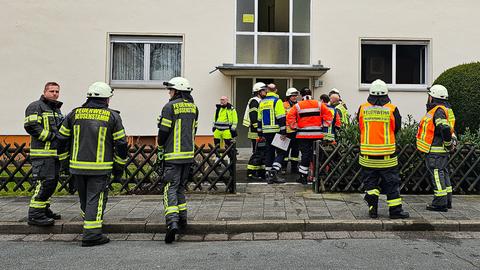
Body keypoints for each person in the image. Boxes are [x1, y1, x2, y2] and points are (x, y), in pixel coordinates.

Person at [58, 82, 128, 246]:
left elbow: (61, 139)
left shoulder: (74, 114)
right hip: (100, 168)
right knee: (95, 199)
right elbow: (122, 144)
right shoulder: (112, 117)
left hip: (77, 167)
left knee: (84, 198)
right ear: (106, 99)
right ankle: (92, 234)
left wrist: (64, 163)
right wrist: (119, 168)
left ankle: (89, 223)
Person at [357, 79, 409, 219]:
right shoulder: (392, 108)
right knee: (392, 184)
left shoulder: (362, 108)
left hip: (367, 156)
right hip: (387, 156)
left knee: (371, 184)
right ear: (386, 93)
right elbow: (396, 128)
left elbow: (360, 126)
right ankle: (395, 211)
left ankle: (373, 209)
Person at [157, 77, 199, 243]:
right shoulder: (194, 108)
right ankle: (183, 220)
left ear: (177, 91)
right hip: (188, 155)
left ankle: (172, 222)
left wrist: (160, 145)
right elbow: (193, 131)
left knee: (170, 189)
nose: (169, 93)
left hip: (172, 156)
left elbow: (164, 132)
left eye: (171, 90)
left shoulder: (169, 107)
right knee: (180, 187)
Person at [24, 82, 64, 226]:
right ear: (45, 92)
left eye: (57, 91)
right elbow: (31, 126)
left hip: (54, 154)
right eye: (52, 91)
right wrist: (52, 137)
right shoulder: (36, 106)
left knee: (51, 183)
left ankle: (44, 209)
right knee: (43, 184)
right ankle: (35, 215)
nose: (55, 94)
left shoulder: (56, 110)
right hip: (42, 154)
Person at [416, 85, 455, 212]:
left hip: (435, 151)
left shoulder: (438, 111)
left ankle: (439, 203)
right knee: (444, 173)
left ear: (432, 97)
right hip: (441, 151)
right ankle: (447, 201)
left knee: (437, 174)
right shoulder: (446, 109)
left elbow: (444, 128)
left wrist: (448, 143)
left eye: (429, 96)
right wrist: (449, 143)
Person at [286, 87, 333, 184]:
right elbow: (329, 116)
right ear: (311, 94)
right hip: (317, 135)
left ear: (301, 95)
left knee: (305, 155)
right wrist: (323, 125)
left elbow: (289, 117)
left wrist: (295, 126)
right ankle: (318, 175)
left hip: (303, 135)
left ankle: (303, 177)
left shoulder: (298, 105)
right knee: (317, 155)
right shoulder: (319, 104)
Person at [257, 83, 287, 184]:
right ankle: (274, 171)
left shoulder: (262, 102)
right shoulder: (277, 101)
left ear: (267, 91)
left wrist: (260, 133)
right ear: (276, 90)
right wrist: (284, 131)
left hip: (266, 132)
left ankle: (268, 174)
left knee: (269, 152)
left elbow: (259, 119)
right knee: (282, 152)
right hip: (276, 131)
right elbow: (281, 117)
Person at [244, 82, 267, 180]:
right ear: (258, 91)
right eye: (263, 90)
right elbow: (253, 117)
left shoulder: (260, 101)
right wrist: (259, 131)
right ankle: (251, 172)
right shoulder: (255, 101)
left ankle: (260, 172)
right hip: (256, 132)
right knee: (257, 152)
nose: (265, 92)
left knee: (261, 152)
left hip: (259, 131)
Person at [282, 88, 300, 174]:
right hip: (287, 132)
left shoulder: (298, 105)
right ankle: (284, 167)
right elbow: (281, 118)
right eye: (293, 95)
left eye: (295, 95)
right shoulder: (283, 105)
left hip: (296, 131)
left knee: (295, 151)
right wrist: (282, 131)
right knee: (285, 151)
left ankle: (294, 167)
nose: (294, 97)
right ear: (288, 96)